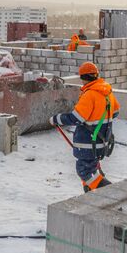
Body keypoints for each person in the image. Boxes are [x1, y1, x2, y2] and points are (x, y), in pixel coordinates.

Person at [50, 62, 119, 191]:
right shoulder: (107, 91)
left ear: (83, 78)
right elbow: (115, 112)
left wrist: (56, 119)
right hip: (102, 140)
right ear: (97, 75)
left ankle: (111, 192)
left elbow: (76, 118)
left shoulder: (89, 95)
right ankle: (91, 194)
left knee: (85, 171)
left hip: (88, 142)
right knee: (91, 171)